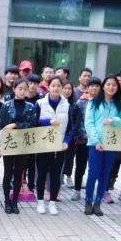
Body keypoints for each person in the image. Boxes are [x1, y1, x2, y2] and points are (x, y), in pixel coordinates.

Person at [84, 75, 121, 216]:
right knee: (93, 173)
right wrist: (96, 141)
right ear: (103, 86)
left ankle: (98, 203)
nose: (111, 87)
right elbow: (89, 123)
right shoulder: (94, 102)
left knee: (105, 174)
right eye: (108, 84)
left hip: (111, 144)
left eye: (114, 85)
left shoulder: (119, 103)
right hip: (95, 144)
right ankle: (88, 201)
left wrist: (114, 120)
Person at [0, 79, 37, 214]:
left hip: (23, 144)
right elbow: (2, 126)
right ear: (14, 89)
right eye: (19, 88)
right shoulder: (6, 106)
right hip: (9, 143)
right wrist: (0, 145)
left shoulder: (30, 106)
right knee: (7, 173)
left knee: (19, 173)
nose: (22, 91)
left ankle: (15, 201)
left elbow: (32, 124)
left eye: (24, 89)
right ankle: (7, 201)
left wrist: (16, 125)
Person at [35, 76, 72, 215]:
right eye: (53, 85)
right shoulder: (40, 103)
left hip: (59, 147)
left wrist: (66, 142)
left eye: (58, 86)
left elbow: (70, 128)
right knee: (41, 175)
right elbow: (34, 122)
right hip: (43, 146)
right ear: (48, 87)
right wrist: (48, 122)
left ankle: (52, 203)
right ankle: (40, 202)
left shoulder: (67, 105)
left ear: (62, 88)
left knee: (56, 176)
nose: (56, 88)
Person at [70, 77, 100, 201]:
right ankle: (77, 190)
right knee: (80, 165)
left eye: (97, 86)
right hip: (84, 140)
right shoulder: (81, 102)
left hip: (98, 141)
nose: (94, 88)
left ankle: (92, 191)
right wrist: (82, 134)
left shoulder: (103, 102)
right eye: (92, 86)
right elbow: (77, 121)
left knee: (95, 167)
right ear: (87, 88)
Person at [61, 81, 77, 188]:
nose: (67, 91)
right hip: (58, 134)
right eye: (65, 88)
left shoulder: (74, 106)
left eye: (69, 89)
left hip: (70, 136)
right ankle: (60, 176)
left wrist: (72, 133)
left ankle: (68, 176)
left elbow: (77, 122)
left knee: (70, 158)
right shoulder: (59, 104)